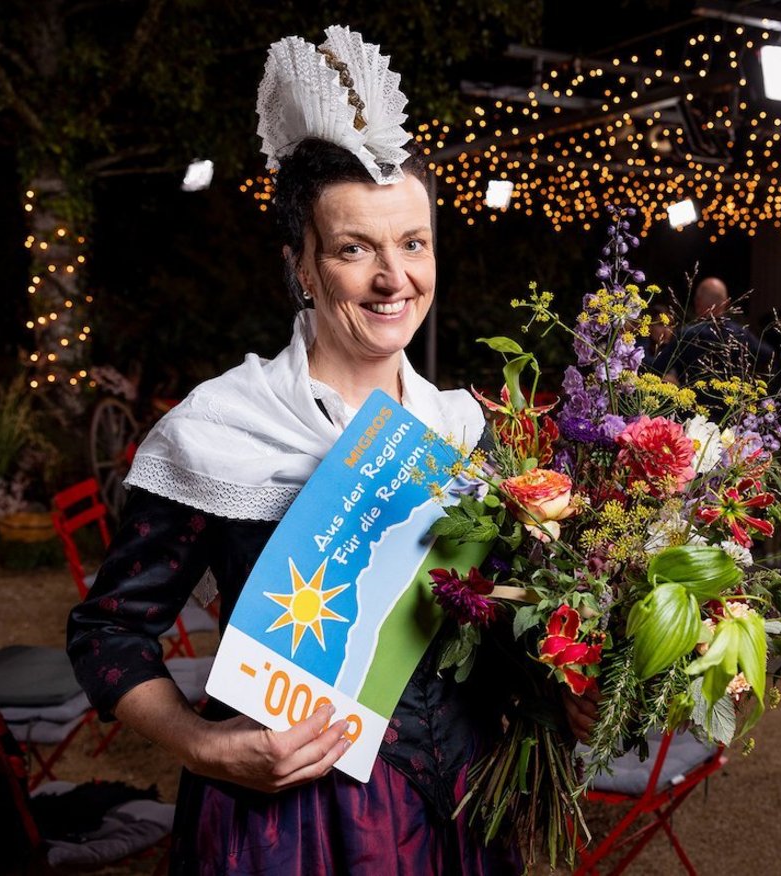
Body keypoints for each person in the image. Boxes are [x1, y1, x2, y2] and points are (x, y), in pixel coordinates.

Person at [67, 28, 569, 873]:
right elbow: (108, 633)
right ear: (301, 267)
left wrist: (565, 688)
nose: (393, 278)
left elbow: (501, 628)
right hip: (292, 826)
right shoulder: (219, 428)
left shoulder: (469, 429)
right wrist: (204, 746)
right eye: (353, 248)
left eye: (413, 243)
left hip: (461, 812)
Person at [655, 276, 774, 385]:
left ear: (697, 302)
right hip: (732, 400)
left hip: (694, 400)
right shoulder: (740, 333)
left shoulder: (686, 334)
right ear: (726, 303)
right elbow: (768, 354)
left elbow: (657, 367)